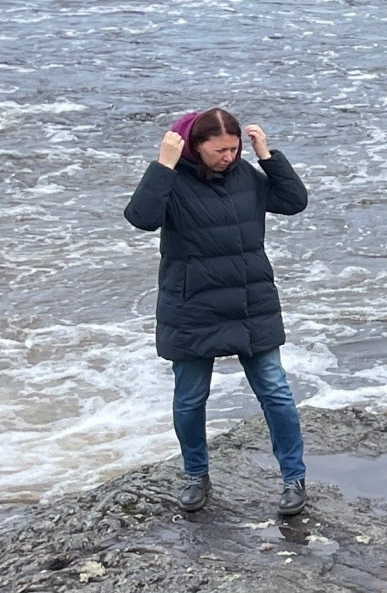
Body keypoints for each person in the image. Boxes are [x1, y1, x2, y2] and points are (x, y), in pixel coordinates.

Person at [122, 106, 309, 516]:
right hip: (192, 305)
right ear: (195, 146)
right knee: (190, 399)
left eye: (235, 147)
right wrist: (162, 165)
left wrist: (267, 155)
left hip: (249, 302)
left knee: (275, 392)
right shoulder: (172, 178)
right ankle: (195, 475)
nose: (229, 156)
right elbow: (141, 218)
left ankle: (294, 479)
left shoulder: (246, 175)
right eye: (220, 150)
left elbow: (294, 201)